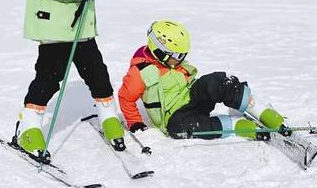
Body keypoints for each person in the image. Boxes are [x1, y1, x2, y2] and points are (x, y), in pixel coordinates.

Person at [15, 0, 125, 163]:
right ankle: (28, 128)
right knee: (49, 79)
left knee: (98, 74)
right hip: (56, 33)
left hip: (81, 33)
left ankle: (109, 117)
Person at [118, 20, 286, 140]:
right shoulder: (139, 73)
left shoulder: (169, 61)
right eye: (178, 56)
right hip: (175, 114)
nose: (181, 59)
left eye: (183, 55)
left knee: (215, 82)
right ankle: (234, 125)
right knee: (179, 129)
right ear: (160, 51)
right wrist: (135, 123)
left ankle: (259, 110)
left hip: (190, 95)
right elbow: (125, 97)